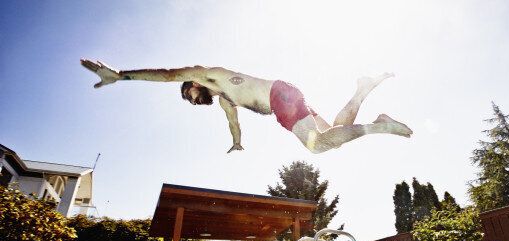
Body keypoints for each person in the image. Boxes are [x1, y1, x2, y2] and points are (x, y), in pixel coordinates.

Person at [81, 59, 413, 154]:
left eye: (190, 96)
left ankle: (379, 126)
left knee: (318, 146)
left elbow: (167, 75)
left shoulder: (207, 75)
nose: (194, 102)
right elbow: (233, 123)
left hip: (280, 100)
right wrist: (237, 142)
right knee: (330, 134)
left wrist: (122, 77)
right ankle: (362, 91)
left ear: (193, 85)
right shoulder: (225, 100)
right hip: (288, 100)